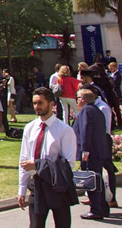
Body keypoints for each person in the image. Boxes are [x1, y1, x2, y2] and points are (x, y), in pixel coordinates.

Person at [18, 87, 78, 228]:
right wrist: (21, 190)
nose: (36, 107)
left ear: (51, 104)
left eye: (40, 103)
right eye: (34, 103)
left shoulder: (64, 130)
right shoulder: (30, 128)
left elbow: (69, 163)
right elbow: (24, 159)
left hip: (58, 187)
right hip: (37, 186)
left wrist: (38, 165)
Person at [74, 88, 110, 220]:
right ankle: (102, 207)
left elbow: (85, 130)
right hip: (99, 150)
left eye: (78, 98)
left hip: (91, 152)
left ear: (83, 99)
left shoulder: (86, 110)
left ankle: (96, 209)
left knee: (91, 180)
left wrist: (85, 150)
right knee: (97, 178)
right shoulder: (96, 110)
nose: (77, 100)